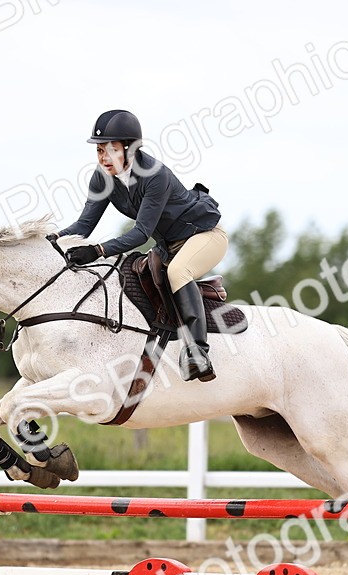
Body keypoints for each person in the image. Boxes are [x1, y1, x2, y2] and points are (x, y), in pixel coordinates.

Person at [55, 109, 227, 382]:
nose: (103, 158)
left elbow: (141, 233)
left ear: (129, 148)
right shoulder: (101, 178)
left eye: (110, 150)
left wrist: (98, 251)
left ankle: (198, 352)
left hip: (204, 237)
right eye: (99, 151)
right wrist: (53, 240)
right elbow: (83, 226)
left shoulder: (154, 175)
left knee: (177, 272)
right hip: (167, 246)